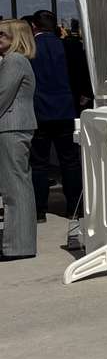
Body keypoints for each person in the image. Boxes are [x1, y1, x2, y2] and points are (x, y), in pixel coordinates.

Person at [27, 10, 83, 222]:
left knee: (39, 163)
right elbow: (78, 76)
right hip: (65, 109)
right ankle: (74, 207)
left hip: (39, 110)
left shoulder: (30, 48)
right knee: (69, 161)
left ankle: (40, 210)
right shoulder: (69, 46)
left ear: (34, 26)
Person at [0, 19, 39, 260]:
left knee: (15, 188)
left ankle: (18, 246)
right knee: (16, 186)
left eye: (2, 35)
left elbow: (1, 96)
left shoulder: (14, 61)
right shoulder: (15, 61)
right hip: (14, 128)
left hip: (11, 128)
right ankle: (18, 244)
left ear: (15, 38)